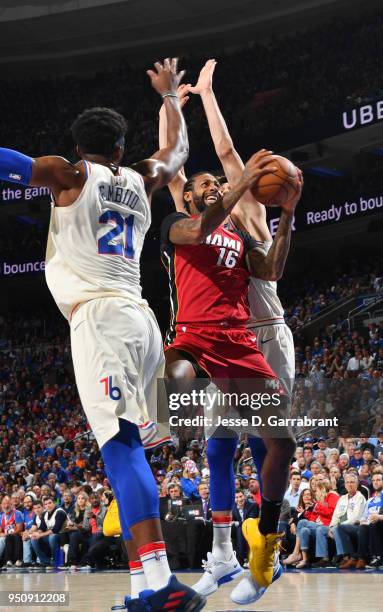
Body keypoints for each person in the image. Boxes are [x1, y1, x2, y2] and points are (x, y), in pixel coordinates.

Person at [0, 58, 205, 611]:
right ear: (119, 147)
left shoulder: (68, 176)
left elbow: (10, 162)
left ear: (81, 145)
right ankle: (143, 590)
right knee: (132, 445)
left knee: (120, 449)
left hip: (99, 321)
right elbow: (178, 154)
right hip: (141, 317)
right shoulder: (142, 177)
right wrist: (168, 100)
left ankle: (162, 584)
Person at [159, 73, 302, 606]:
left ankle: (268, 554)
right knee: (218, 447)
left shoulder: (251, 216)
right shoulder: (194, 218)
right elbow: (183, 166)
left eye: (223, 179)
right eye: (209, 182)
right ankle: (220, 554)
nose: (219, 180)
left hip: (263, 336)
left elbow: (224, 150)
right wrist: (181, 98)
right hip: (214, 338)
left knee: (271, 443)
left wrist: (210, 97)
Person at [337, 472, 383, 570]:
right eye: (374, 480)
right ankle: (351, 557)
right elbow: (363, 516)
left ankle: (360, 558)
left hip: (377, 524)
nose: (375, 482)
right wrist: (362, 520)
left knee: (363, 528)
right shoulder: (370, 500)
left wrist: (364, 522)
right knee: (341, 527)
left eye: (378, 480)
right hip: (365, 524)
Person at [30, 496, 67, 568]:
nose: (48, 505)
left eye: (50, 503)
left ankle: (56, 561)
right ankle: (45, 561)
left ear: (54, 503)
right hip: (51, 536)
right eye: (46, 504)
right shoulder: (45, 514)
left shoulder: (60, 512)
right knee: (33, 539)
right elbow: (42, 527)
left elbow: (56, 530)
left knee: (52, 537)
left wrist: (40, 535)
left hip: (63, 535)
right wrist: (36, 533)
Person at [232, 490, 259, 565]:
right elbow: (231, 519)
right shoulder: (232, 507)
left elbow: (250, 520)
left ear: (245, 496)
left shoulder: (253, 505)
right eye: (236, 497)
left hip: (251, 528)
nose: (239, 499)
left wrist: (237, 523)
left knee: (240, 529)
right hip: (236, 530)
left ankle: (240, 560)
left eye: (241, 496)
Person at [0, 494, 24, 567]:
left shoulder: (17, 513)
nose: (6, 506)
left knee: (10, 537)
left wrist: (7, 535)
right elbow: (0, 531)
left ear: (11, 504)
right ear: (1, 505)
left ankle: (17, 559)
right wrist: (3, 534)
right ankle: (7, 561)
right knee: (4, 538)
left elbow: (19, 528)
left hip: (17, 535)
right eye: (4, 504)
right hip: (6, 536)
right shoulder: (1, 516)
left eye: (8, 504)